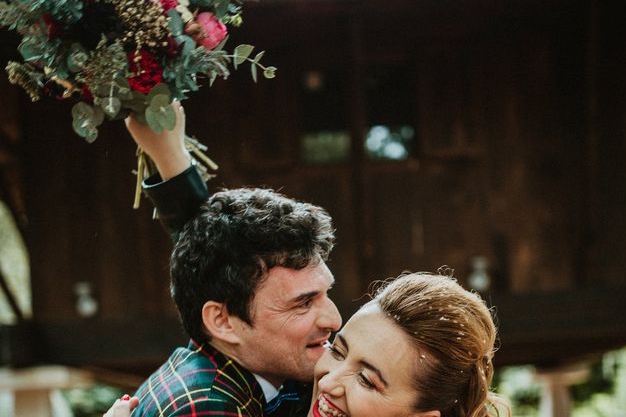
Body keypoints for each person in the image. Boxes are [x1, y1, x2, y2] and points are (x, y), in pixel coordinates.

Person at [124, 105, 342, 416]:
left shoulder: (230, 365)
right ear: (223, 321)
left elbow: (208, 245)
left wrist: (170, 158)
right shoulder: (209, 408)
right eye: (303, 303)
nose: (334, 320)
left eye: (325, 294)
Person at [106, 272, 510, 417]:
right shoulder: (292, 397)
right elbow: (236, 276)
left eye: (368, 381)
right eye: (338, 350)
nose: (331, 381)